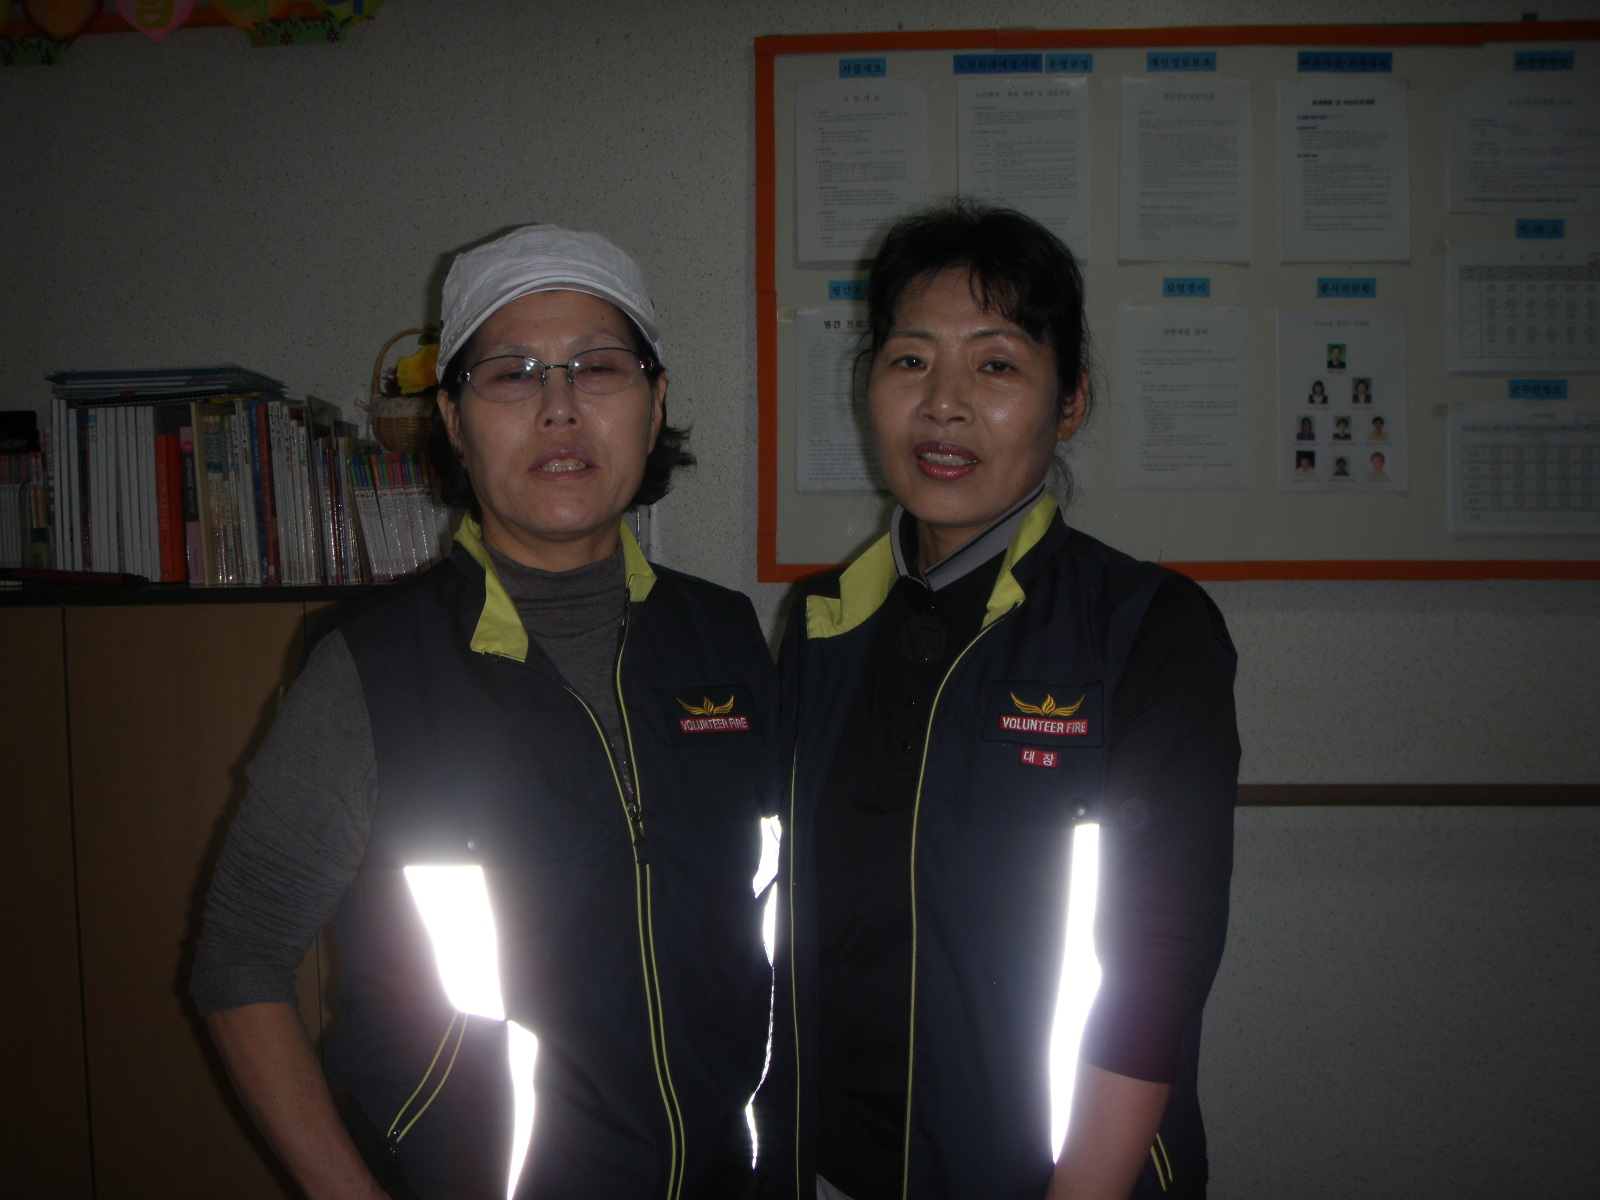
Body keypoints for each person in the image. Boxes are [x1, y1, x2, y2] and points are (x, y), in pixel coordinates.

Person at [192, 225, 779, 1200]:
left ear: (656, 403)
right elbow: (239, 961)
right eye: (511, 375)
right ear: (454, 421)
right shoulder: (372, 669)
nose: (559, 408)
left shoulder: (728, 640)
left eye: (599, 367)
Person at [769, 203, 1238, 1200]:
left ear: (1070, 402)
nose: (943, 404)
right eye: (910, 360)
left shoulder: (1144, 628)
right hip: (835, 1164)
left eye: (995, 364)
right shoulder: (821, 623)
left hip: (1057, 1176)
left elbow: (1159, 959)